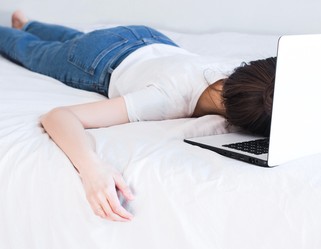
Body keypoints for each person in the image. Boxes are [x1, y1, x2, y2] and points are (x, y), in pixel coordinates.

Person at [0, 11, 276, 222]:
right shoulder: (165, 99)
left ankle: (28, 23)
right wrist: (92, 169)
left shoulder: (243, 76)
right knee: (36, 53)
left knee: (72, 40)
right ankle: (17, 31)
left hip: (144, 37)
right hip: (100, 57)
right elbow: (59, 116)